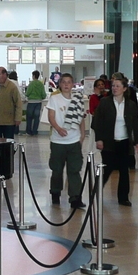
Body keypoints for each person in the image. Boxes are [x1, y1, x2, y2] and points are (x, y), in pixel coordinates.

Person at [92, 73, 138, 205]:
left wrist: (137, 142)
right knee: (107, 169)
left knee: (124, 171)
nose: (114, 88)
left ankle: (123, 198)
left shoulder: (131, 105)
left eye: (118, 86)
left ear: (125, 88)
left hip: (124, 142)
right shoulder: (105, 103)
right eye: (113, 86)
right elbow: (97, 122)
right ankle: (96, 191)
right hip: (109, 142)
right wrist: (99, 139)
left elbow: (135, 125)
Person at [47, 73, 87, 208]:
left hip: (74, 140)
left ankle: (75, 197)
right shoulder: (54, 98)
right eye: (63, 82)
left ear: (72, 84)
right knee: (57, 170)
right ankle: (55, 193)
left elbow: (81, 118)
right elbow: (51, 116)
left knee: (74, 170)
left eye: (69, 82)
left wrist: (82, 135)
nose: (66, 84)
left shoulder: (77, 99)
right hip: (58, 141)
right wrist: (58, 128)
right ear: (60, 84)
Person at [0, 66, 21, 141]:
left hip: (8, 122)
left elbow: (18, 103)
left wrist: (18, 118)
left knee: (8, 141)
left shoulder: (12, 87)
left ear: (5, 75)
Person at [25, 70, 46, 136]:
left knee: (29, 118)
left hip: (31, 102)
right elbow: (44, 95)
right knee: (36, 118)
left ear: (33, 76)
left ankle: (28, 131)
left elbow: (27, 93)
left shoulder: (31, 84)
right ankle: (34, 132)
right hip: (38, 102)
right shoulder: (41, 84)